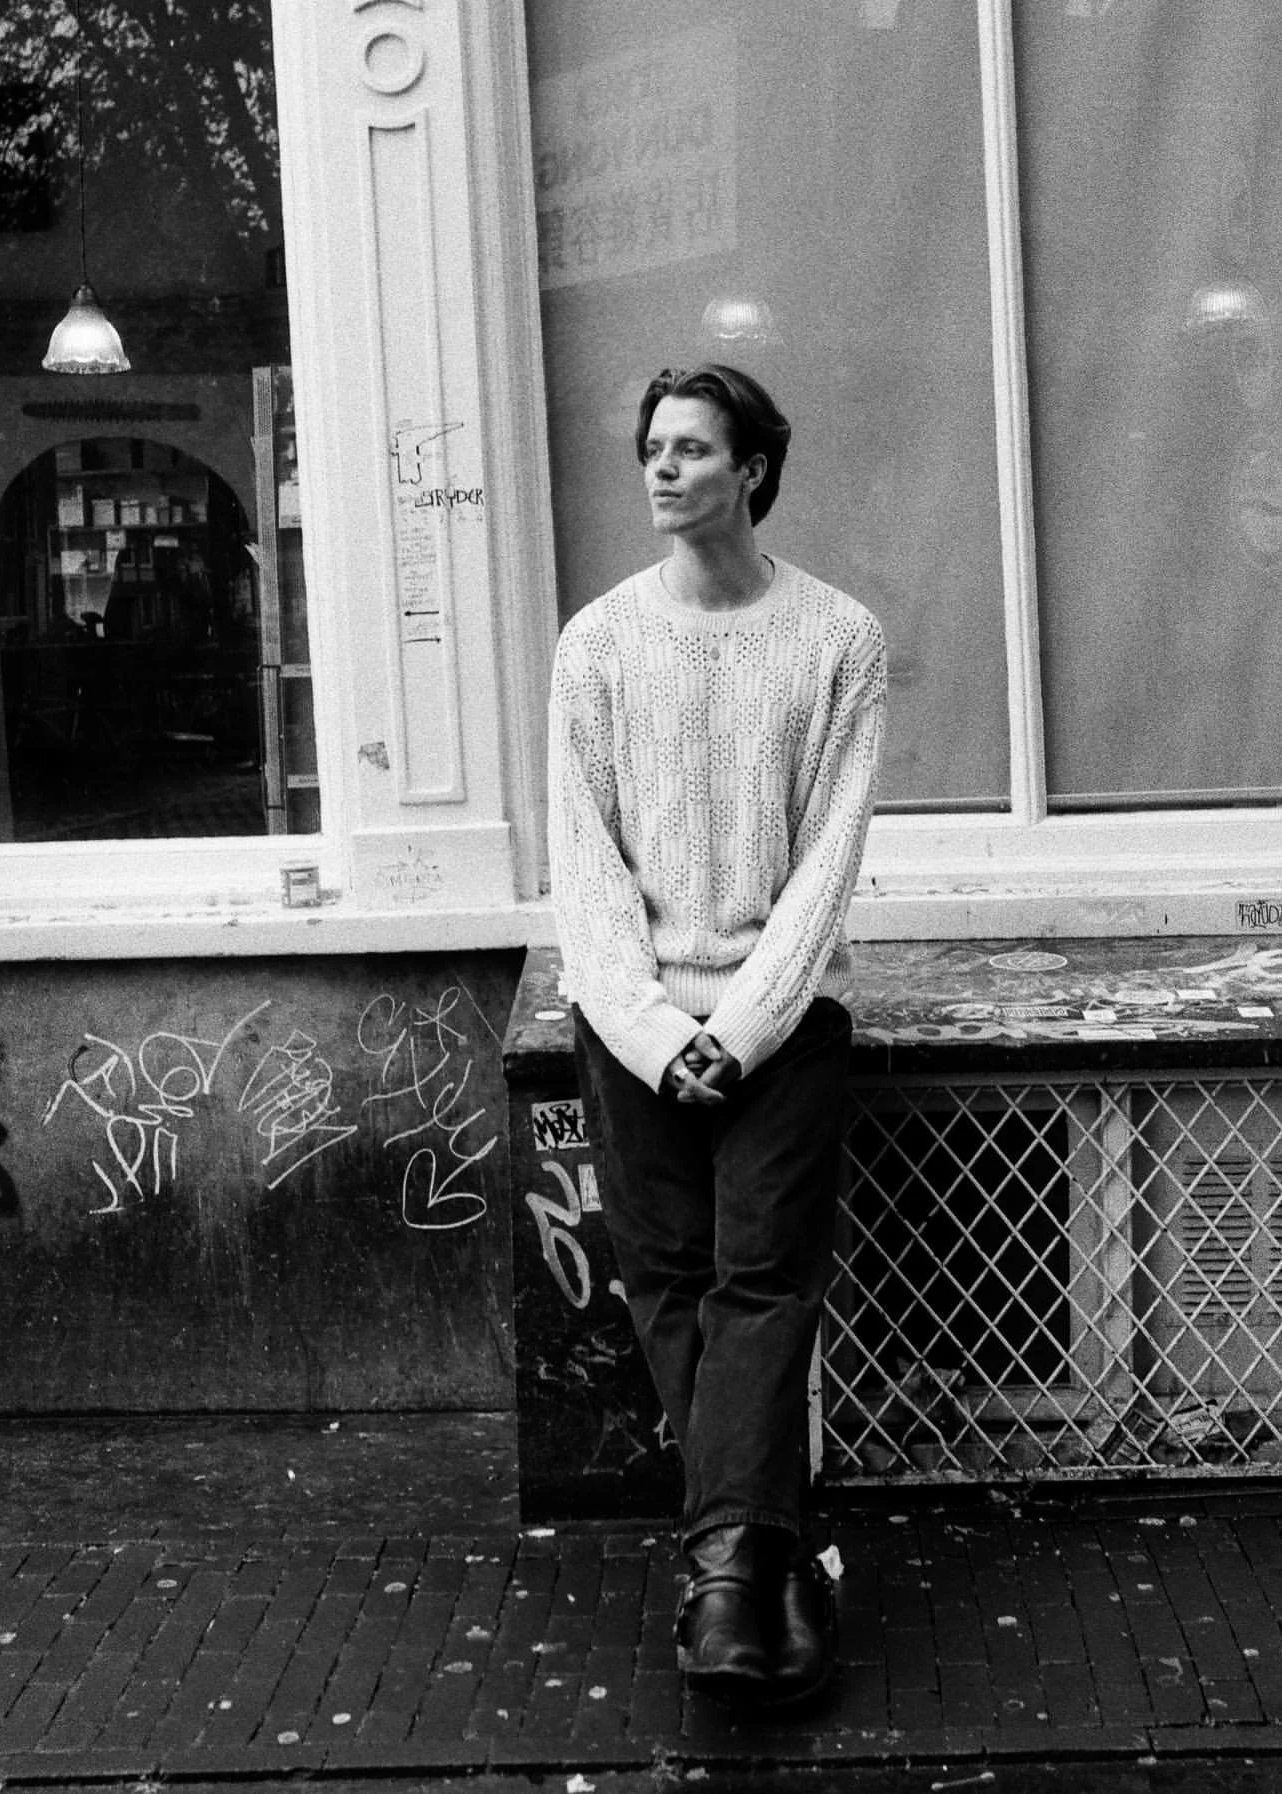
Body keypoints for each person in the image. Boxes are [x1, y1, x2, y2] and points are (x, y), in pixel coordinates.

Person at [547, 364, 887, 1706]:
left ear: (754, 467)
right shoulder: (598, 646)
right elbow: (584, 866)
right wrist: (647, 1029)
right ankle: (763, 1565)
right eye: (650, 449)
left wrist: (738, 1032)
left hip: (785, 1021)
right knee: (672, 1283)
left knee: (762, 1282)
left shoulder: (838, 641)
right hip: (636, 1024)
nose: (661, 470)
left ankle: (722, 1584)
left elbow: (827, 862)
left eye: (691, 449)